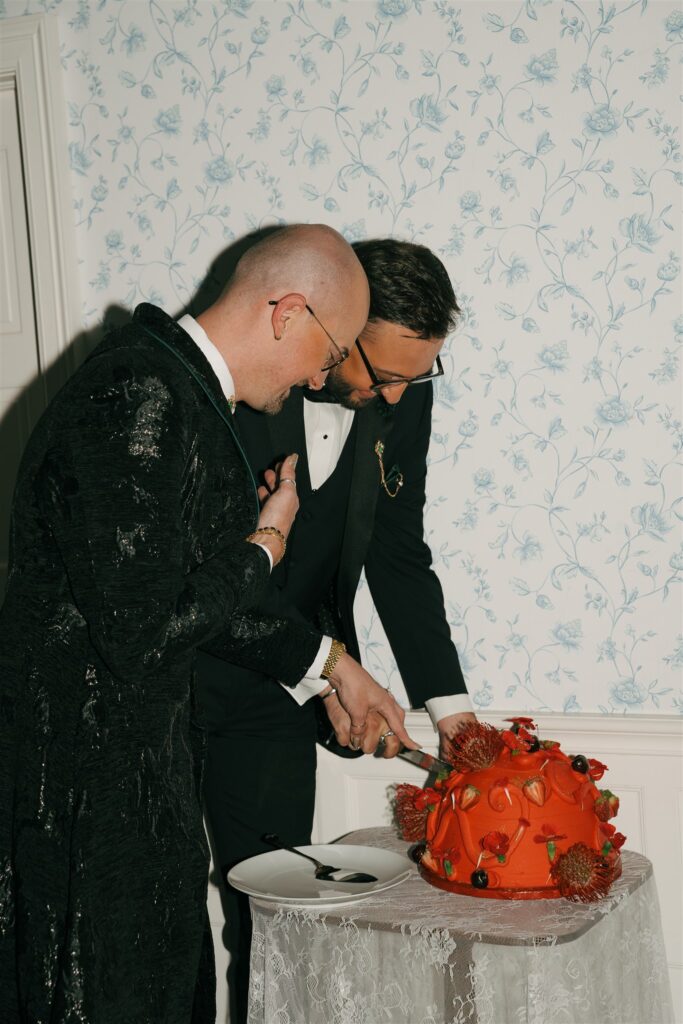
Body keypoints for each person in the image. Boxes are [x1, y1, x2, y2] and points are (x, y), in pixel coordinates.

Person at [0, 225, 413, 1023]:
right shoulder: (140, 392)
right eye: (328, 356)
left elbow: (179, 604)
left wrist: (331, 662)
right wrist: (263, 546)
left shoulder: (172, 384)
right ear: (287, 313)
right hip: (83, 796)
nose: (321, 377)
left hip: (133, 782)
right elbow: (143, 631)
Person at [196, 238, 476, 1021]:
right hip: (167, 686)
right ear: (330, 328)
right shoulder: (217, 391)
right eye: (382, 376)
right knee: (159, 921)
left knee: (276, 920)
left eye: (415, 380)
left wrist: (453, 719)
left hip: (280, 703)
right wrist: (328, 671)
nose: (396, 399)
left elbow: (396, 554)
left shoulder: (401, 394)